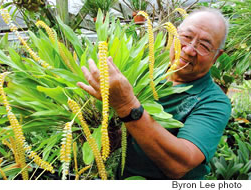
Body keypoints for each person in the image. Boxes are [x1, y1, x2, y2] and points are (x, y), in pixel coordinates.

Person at [77, 7, 231, 180]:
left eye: (204, 45)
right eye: (186, 37)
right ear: (174, 35)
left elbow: (179, 165)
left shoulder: (214, 102)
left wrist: (125, 105)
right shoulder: (143, 71)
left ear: (216, 57)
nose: (189, 50)